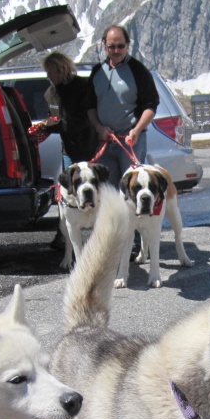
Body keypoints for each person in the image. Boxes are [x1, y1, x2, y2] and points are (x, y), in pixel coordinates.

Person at [86, 25, 160, 255]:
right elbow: (89, 106)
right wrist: (99, 128)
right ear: (104, 46)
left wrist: (137, 130)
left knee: (135, 191)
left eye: (120, 45)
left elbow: (151, 106)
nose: (116, 50)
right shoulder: (97, 71)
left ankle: (138, 242)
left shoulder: (137, 70)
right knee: (109, 192)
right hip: (106, 140)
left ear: (127, 45)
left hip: (130, 141)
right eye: (111, 46)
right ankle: (114, 240)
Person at [42, 51, 99, 249]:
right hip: (68, 149)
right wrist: (47, 124)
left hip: (89, 146)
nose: (48, 76)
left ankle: (98, 232)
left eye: (51, 72)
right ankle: (64, 234)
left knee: (94, 189)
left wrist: (57, 126)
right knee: (67, 193)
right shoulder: (50, 93)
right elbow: (53, 116)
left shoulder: (82, 87)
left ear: (61, 68)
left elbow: (85, 119)